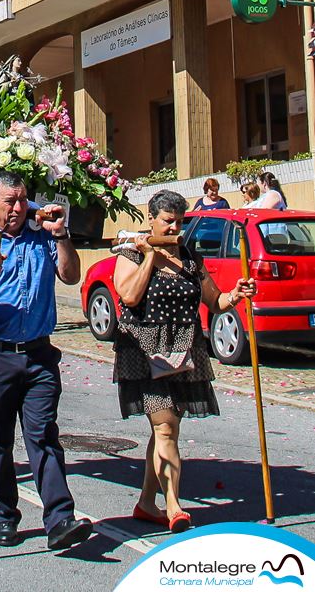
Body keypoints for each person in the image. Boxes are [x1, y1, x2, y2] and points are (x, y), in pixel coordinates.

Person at [0, 172, 93, 551]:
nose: (17, 208)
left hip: (38, 354)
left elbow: (70, 274)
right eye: (9, 201)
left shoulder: (41, 236)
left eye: (22, 199)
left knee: (44, 435)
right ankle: (6, 515)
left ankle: (60, 518)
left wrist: (61, 235)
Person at [112, 190, 256, 533]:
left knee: (164, 429)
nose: (174, 227)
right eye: (167, 221)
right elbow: (129, 296)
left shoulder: (191, 258)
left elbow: (216, 300)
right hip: (144, 348)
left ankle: (147, 503)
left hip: (183, 349)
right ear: (151, 219)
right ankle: (174, 505)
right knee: (165, 428)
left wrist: (236, 293)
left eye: (179, 221)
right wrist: (150, 256)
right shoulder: (130, 254)